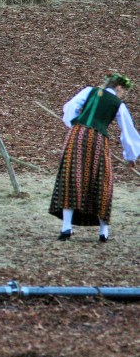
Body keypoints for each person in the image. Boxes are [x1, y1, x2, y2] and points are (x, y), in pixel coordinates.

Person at [50, 73, 139, 242]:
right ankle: (103, 231)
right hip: (98, 140)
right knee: (101, 180)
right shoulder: (118, 104)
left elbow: (70, 107)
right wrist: (130, 156)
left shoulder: (90, 91)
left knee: (71, 177)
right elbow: (128, 131)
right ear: (118, 87)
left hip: (76, 136)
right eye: (123, 90)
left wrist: (74, 122)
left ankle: (66, 228)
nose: (123, 94)